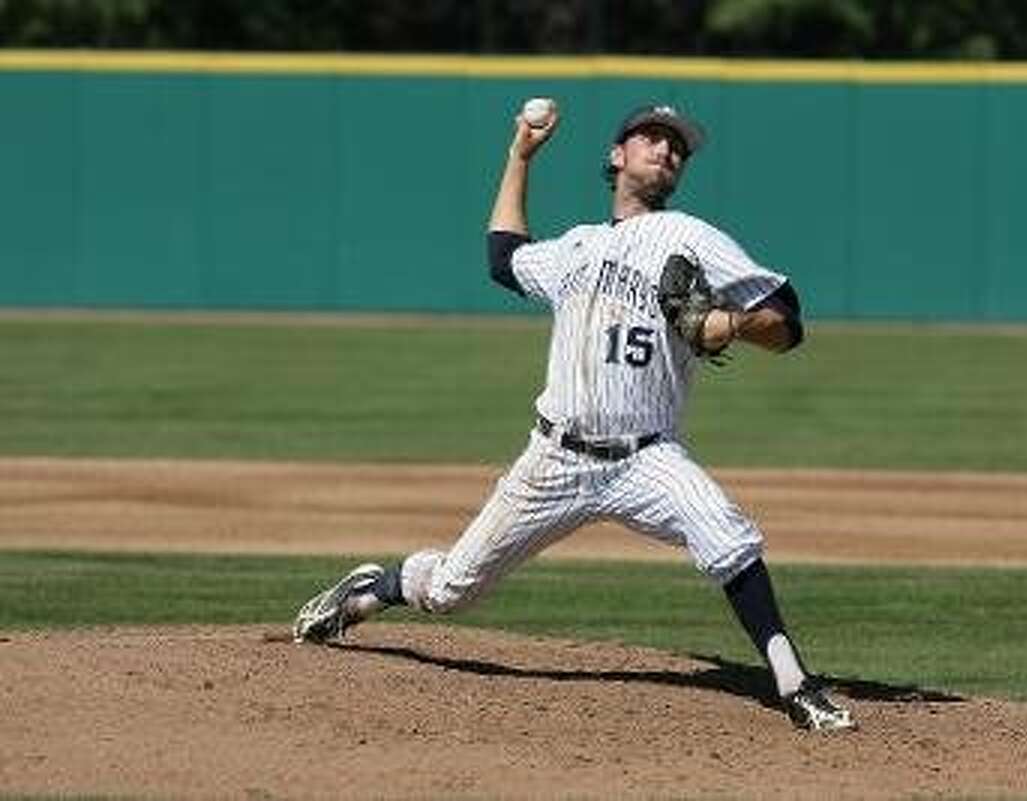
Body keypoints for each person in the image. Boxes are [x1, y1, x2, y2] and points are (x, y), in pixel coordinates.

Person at [293, 101, 855, 732]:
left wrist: (732, 323)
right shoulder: (578, 248)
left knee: (726, 533)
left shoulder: (692, 238)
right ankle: (375, 587)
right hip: (554, 458)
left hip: (648, 456)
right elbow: (503, 258)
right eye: (652, 138)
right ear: (617, 156)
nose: (667, 150)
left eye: (678, 147)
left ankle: (795, 684)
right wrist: (520, 156)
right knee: (453, 590)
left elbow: (787, 320)